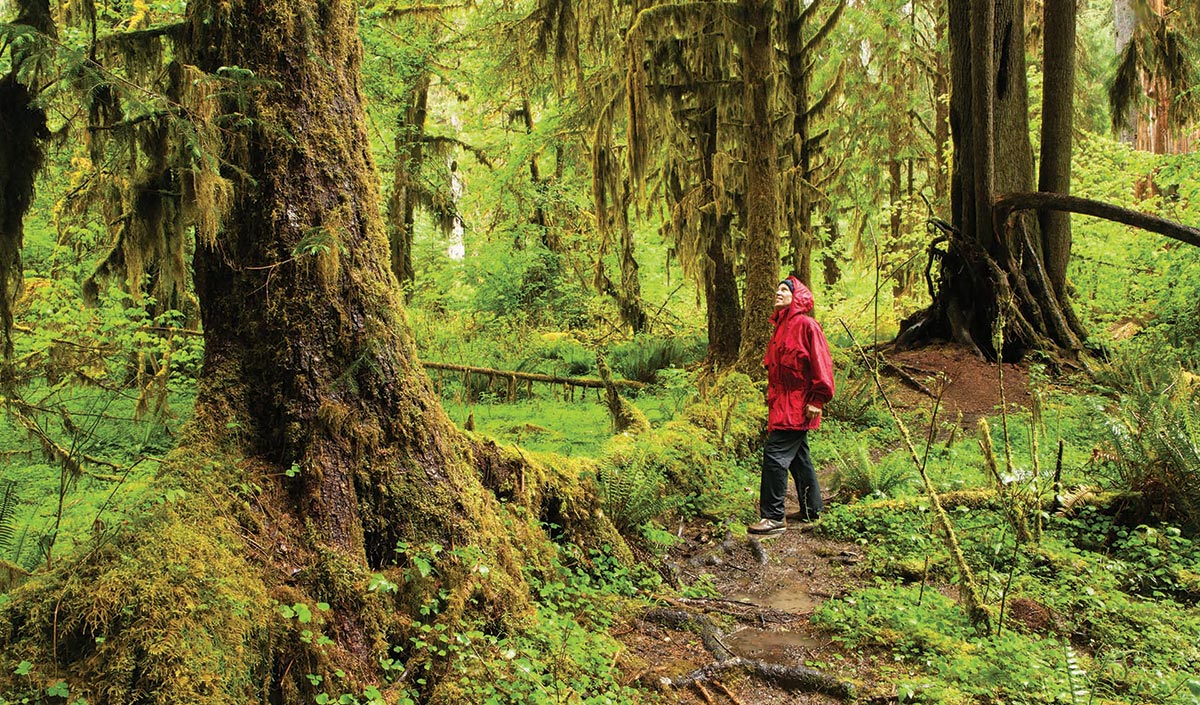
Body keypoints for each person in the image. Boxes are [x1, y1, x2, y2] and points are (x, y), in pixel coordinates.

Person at [747, 275, 835, 536]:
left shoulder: (807, 326)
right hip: (781, 403)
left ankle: (773, 517)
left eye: (785, 289)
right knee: (799, 458)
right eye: (777, 288)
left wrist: (818, 399)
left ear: (797, 297)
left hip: (799, 405)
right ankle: (811, 509)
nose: (778, 292)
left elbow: (822, 363)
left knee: (775, 455)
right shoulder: (780, 328)